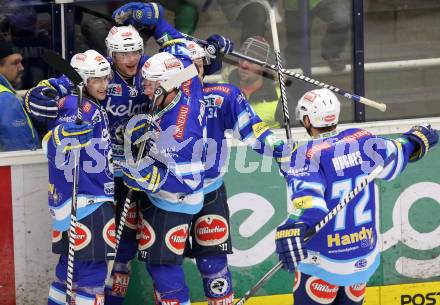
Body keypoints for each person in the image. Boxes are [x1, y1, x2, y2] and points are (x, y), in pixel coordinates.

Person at [274, 88, 439, 305]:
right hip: (363, 260)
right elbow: (401, 151)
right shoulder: (363, 139)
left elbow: (311, 208)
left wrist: (293, 225)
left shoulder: (304, 156)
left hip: (323, 263)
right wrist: (417, 139)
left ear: (307, 119)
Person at [184, 40, 292, 305]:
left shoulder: (222, 94)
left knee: (213, 266)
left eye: (199, 65)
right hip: (164, 196)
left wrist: (283, 152)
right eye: (187, 65)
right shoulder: (155, 97)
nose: (195, 70)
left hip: (209, 192)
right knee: (165, 269)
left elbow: (253, 131)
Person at [122, 51, 207, 305]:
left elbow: (188, 182)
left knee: (162, 266)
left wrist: (142, 177)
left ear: (166, 84)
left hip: (175, 203)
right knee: (156, 264)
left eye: (149, 85)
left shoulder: (179, 130)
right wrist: (158, 23)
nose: (145, 90)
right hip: (164, 200)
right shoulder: (186, 84)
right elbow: (186, 59)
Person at [44, 50, 115, 305]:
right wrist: (63, 136)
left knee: (66, 275)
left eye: (106, 78)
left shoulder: (85, 104)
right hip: (87, 203)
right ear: (82, 81)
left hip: (74, 202)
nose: (104, 85)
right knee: (91, 276)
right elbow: (52, 148)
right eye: (97, 80)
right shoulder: (77, 106)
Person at [228, 36, 282, 129]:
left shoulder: (279, 96)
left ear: (264, 67)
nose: (244, 65)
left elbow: (296, 135)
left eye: (251, 61)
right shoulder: (222, 89)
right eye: (241, 58)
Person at [283, 0, 350, 71]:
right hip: (294, 5)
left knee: (341, 20)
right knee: (296, 43)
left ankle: (332, 54)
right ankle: (295, 71)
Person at [0, 40, 39, 151]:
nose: (21, 67)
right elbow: (20, 147)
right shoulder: (6, 99)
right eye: (15, 63)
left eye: (21, 62)